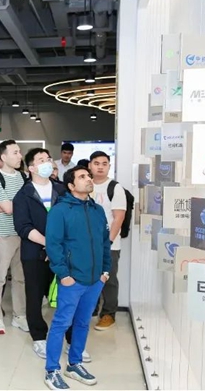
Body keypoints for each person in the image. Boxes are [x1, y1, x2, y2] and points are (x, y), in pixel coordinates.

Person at [44, 166, 111, 389]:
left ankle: (74, 364)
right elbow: (53, 245)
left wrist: (105, 272)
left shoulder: (97, 210)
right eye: (82, 177)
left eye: (88, 176)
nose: (89, 179)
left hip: (95, 280)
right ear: (71, 186)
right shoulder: (60, 211)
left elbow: (104, 242)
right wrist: (63, 274)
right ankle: (52, 370)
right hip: (72, 279)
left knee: (83, 323)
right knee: (61, 323)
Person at [13, 148, 66, 359]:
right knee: (34, 296)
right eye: (41, 160)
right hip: (34, 253)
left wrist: (57, 247)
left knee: (66, 296)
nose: (47, 162)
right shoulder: (23, 194)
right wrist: (48, 244)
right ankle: (39, 338)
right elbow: (23, 227)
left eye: (48, 159)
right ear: (32, 168)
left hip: (62, 253)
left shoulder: (62, 190)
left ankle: (71, 339)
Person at [0, 140, 27, 335]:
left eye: (19, 152)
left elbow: (18, 206)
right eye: (15, 152)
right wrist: (12, 206)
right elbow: (10, 209)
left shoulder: (23, 177)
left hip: (23, 234)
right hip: (3, 234)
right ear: (3, 157)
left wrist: (9, 205)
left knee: (20, 278)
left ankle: (20, 316)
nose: (20, 156)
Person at [89, 151, 127, 331]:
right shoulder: (86, 184)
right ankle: (92, 309)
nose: (100, 167)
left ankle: (108, 314)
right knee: (90, 277)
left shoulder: (115, 188)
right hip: (88, 243)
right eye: (96, 163)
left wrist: (108, 242)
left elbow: (118, 218)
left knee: (108, 279)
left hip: (109, 244)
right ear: (90, 165)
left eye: (104, 164)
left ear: (109, 167)